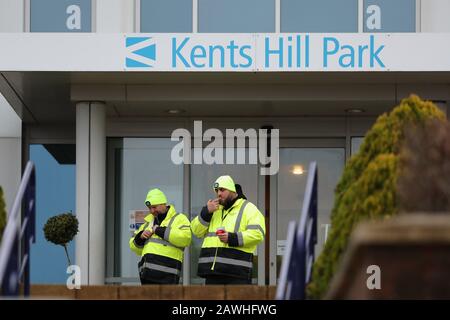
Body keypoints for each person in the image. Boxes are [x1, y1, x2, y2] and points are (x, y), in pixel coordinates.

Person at [191, 175, 265, 285]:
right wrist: (206, 212)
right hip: (213, 273)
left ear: (232, 190)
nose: (218, 194)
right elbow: (196, 231)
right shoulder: (213, 210)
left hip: (237, 274)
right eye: (216, 191)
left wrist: (231, 238)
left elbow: (258, 234)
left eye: (222, 190)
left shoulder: (249, 208)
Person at [129, 188, 191, 284]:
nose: (152, 211)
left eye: (154, 207)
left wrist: (159, 230)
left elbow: (185, 239)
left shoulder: (179, 218)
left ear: (163, 204)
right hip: (147, 277)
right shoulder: (147, 223)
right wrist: (140, 237)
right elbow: (134, 247)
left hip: (168, 277)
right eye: (149, 208)